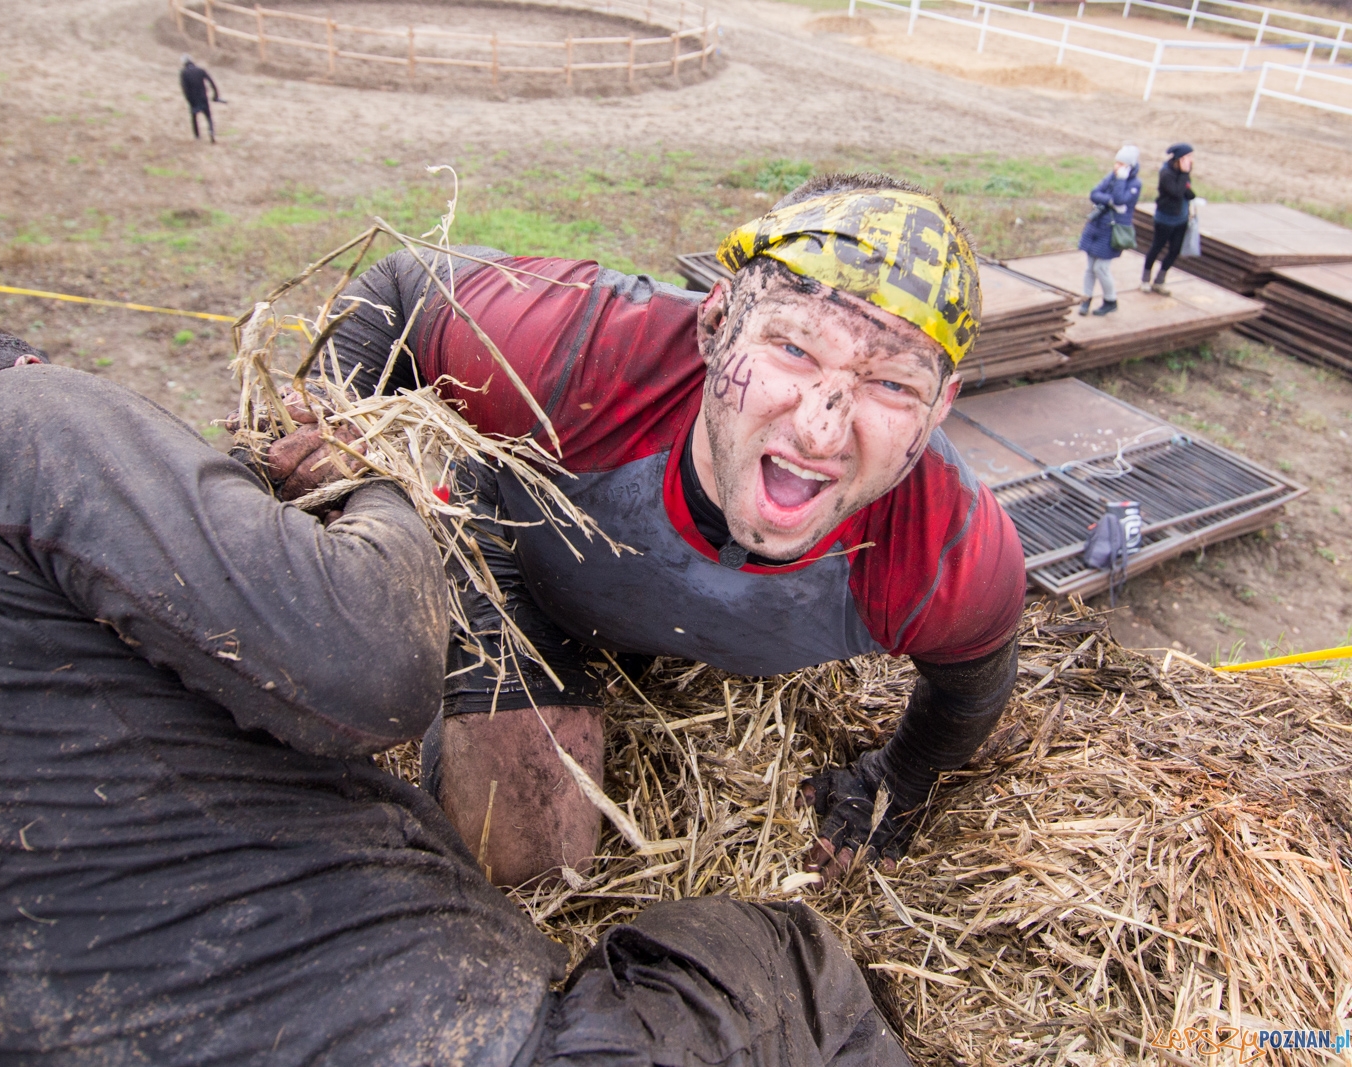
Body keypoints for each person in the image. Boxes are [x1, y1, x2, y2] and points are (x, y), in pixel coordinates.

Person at [0, 308, 911, 1065]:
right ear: (11, 360)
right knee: (776, 956)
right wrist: (378, 493)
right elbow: (368, 667)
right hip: (394, 1038)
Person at [269, 174, 1028, 890]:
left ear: (940, 410)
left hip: (657, 615)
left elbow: (973, 685)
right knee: (532, 860)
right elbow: (404, 285)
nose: (821, 429)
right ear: (715, 323)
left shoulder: (948, 553)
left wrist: (895, 783)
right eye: (793, 348)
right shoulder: (578, 354)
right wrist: (346, 437)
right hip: (525, 562)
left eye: (893, 385)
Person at [1076, 145, 1141, 317]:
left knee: (1101, 268)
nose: (1116, 167)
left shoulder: (1134, 184)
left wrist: (1120, 180)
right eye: (1116, 163)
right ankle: (1086, 299)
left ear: (1129, 166)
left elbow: (1122, 199)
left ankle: (1110, 300)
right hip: (1097, 226)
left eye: (1121, 164)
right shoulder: (1110, 177)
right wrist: (1111, 201)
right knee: (1090, 266)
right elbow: (1095, 193)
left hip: (1113, 230)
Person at [1142, 142, 1196, 295]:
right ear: (1180, 158)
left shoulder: (1185, 170)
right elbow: (1176, 192)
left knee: (1174, 250)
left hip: (1181, 218)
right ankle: (1145, 279)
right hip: (1165, 218)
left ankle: (1160, 280)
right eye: (1188, 157)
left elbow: (1185, 189)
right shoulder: (1166, 173)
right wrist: (1185, 174)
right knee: (1156, 247)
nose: (1191, 160)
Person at [180, 54, 221, 142]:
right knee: (208, 116)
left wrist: (188, 100)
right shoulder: (200, 70)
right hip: (203, 97)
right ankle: (211, 131)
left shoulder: (184, 73)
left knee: (194, 117)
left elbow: (185, 89)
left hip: (193, 99)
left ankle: (197, 136)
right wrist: (215, 94)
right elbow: (211, 81)